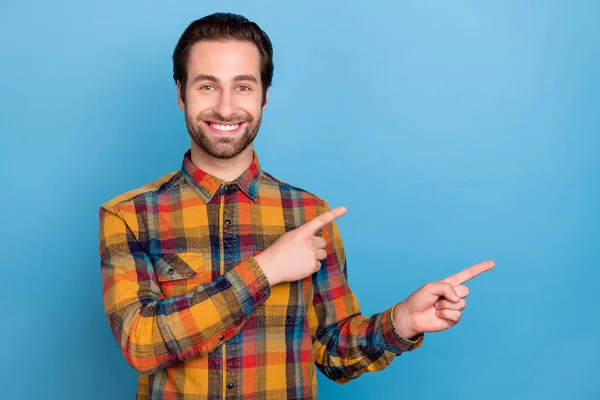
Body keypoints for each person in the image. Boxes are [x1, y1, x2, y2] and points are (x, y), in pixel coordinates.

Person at [98, 12, 495, 399]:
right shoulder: (129, 215)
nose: (224, 107)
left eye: (243, 86)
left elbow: (333, 354)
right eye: (206, 86)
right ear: (181, 94)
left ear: (264, 97)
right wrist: (266, 270)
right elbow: (141, 344)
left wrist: (403, 322)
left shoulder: (309, 215)